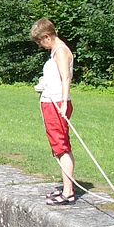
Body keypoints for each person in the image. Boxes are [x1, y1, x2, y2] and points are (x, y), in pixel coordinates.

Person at [31, 18, 75, 206]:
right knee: (59, 146)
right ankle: (67, 188)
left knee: (61, 146)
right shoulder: (55, 52)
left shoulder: (61, 51)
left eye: (40, 41)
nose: (40, 45)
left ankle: (68, 192)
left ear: (47, 36)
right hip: (51, 101)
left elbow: (66, 78)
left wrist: (63, 103)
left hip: (57, 104)